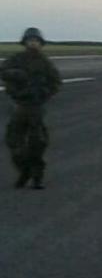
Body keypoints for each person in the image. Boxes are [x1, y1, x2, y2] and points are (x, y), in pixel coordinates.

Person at [1, 27, 61, 189]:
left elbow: (56, 82)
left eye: (35, 41)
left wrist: (44, 93)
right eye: (30, 40)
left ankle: (37, 177)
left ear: (40, 43)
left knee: (37, 143)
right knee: (13, 142)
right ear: (25, 42)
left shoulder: (45, 63)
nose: (33, 43)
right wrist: (16, 75)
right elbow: (3, 71)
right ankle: (25, 171)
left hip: (36, 107)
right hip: (19, 105)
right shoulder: (16, 59)